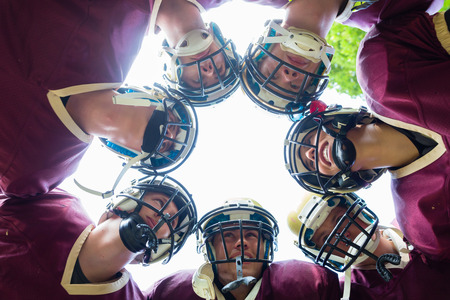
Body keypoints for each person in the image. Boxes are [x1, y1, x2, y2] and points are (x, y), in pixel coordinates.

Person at [1, 0, 202, 198]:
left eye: (166, 144)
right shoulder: (117, 24)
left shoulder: (38, 173)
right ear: (153, 96)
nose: (169, 133)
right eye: (173, 123)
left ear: (132, 156)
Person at [284, 102, 450, 261]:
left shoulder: (387, 87)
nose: (309, 155)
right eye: (327, 238)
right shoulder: (418, 219)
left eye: (308, 141)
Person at [0, 174, 197, 299]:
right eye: (159, 202)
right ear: (129, 197)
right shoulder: (55, 203)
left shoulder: (132, 297)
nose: (161, 215)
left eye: (171, 221)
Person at [239, 0, 444, 119]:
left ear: (262, 50)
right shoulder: (389, 16)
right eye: (294, 87)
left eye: (270, 75)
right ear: (316, 76)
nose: (288, 76)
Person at [146, 197, 342, 300]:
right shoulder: (171, 292)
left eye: (251, 235)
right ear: (209, 249)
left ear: (267, 247)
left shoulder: (308, 282)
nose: (241, 242)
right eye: (228, 235)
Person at [287, 192, 450, 300]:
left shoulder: (416, 224)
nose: (342, 235)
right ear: (321, 252)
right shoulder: (351, 294)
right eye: (326, 238)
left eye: (338, 220)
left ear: (355, 208)